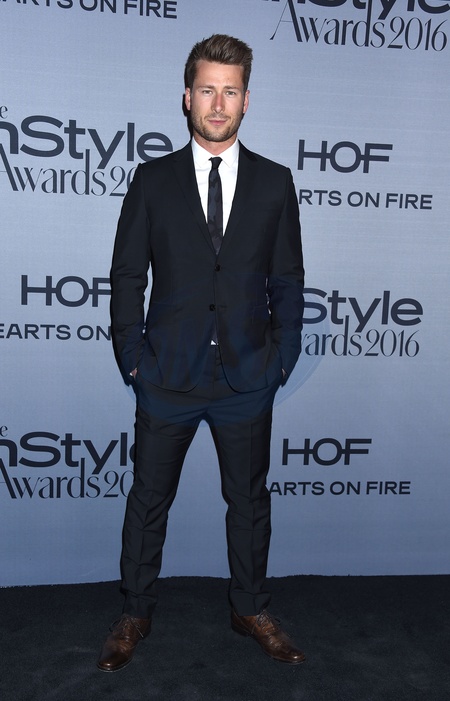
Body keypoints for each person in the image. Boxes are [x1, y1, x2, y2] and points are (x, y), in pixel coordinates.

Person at [97, 34, 305, 672]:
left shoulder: (275, 182)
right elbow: (127, 276)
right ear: (187, 97)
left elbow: (287, 279)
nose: (218, 104)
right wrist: (133, 357)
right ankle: (135, 612)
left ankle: (250, 608)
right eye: (207, 90)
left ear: (247, 100)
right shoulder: (152, 180)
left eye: (230, 91)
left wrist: (281, 360)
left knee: (250, 503)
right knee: (147, 501)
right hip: (166, 375)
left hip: (247, 376)